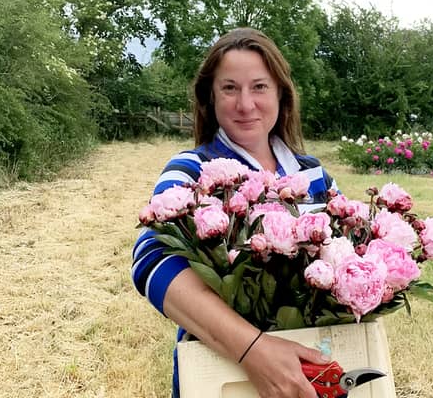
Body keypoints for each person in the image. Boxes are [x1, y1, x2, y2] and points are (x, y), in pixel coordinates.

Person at [131, 27, 339, 398]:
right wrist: (253, 350)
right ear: (210, 97)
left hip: (311, 370)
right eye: (230, 88)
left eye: (259, 87)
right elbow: (151, 264)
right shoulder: (192, 169)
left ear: (281, 94)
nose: (246, 104)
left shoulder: (315, 176)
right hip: (224, 371)